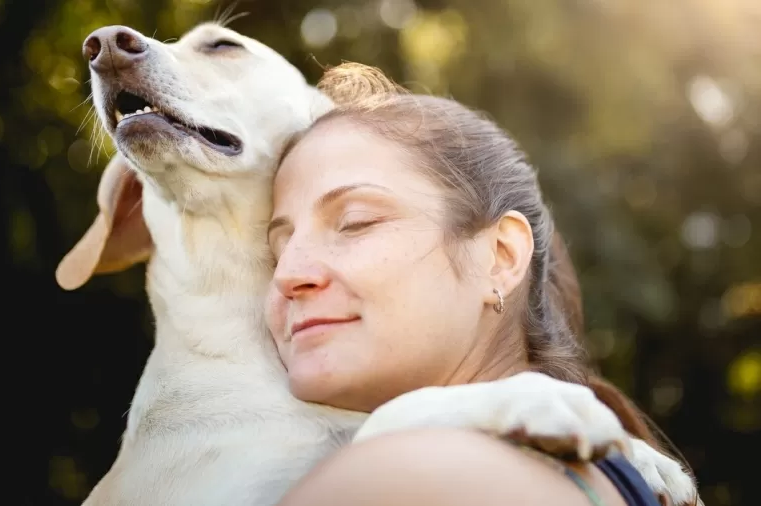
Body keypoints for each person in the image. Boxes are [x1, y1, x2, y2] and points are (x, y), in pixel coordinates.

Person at [264, 63, 686, 506]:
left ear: (501, 257)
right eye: (275, 249)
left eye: (355, 222)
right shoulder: (605, 476)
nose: (288, 274)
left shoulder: (396, 480)